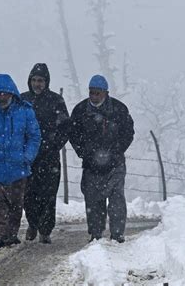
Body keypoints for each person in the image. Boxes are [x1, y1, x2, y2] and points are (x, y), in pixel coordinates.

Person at [0, 73, 41, 248]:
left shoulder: (25, 111)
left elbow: (34, 136)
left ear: (12, 93)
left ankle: (11, 234)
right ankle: (2, 235)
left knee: (16, 204)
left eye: (5, 93)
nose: (2, 97)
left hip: (18, 167)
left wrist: (27, 157)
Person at [69, 75, 134, 243]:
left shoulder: (119, 109)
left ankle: (117, 234)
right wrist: (84, 153)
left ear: (106, 93)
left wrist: (116, 152)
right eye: (92, 92)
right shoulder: (80, 110)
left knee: (116, 199)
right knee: (93, 199)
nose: (94, 96)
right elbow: (73, 134)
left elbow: (128, 133)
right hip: (91, 165)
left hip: (115, 164)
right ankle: (96, 234)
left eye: (98, 93)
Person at [21, 63, 69, 244]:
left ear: (46, 82)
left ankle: (46, 230)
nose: (37, 84)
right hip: (28, 158)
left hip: (49, 158)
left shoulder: (56, 101)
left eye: (40, 80)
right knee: (28, 195)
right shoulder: (22, 100)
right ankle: (33, 224)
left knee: (48, 195)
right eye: (34, 80)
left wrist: (54, 145)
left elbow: (65, 128)